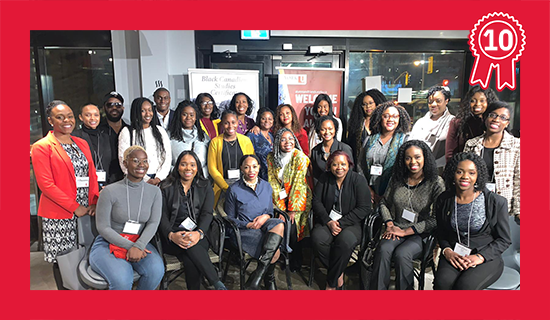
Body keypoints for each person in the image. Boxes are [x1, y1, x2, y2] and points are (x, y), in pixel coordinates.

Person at [31, 100, 99, 290]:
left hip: (87, 211)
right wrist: (74, 207)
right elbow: (46, 185)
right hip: (60, 215)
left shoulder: (82, 143)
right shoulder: (42, 147)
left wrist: (94, 202)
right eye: (59, 117)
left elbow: (91, 175)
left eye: (69, 116)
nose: (66, 121)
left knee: (87, 255)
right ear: (50, 120)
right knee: (63, 262)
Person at [370, 140, 445, 290]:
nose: (413, 162)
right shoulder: (397, 179)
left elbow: (437, 219)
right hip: (395, 228)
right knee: (383, 249)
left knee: (402, 254)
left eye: (417, 157)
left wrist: (406, 232)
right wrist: (390, 224)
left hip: (420, 233)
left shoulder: (435, 182)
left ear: (425, 158)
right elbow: (384, 203)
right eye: (408, 158)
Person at [90, 146, 164, 290]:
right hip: (108, 243)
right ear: (125, 163)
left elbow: (154, 222)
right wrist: (132, 247)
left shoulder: (155, 192)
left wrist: (139, 245)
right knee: (122, 279)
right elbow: (103, 227)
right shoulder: (109, 191)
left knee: (156, 270)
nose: (141, 165)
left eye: (145, 161)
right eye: (136, 161)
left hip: (139, 242)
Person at [434, 152, 511, 290]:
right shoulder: (443, 199)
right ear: (453, 174)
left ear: (478, 176)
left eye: (471, 173)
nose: (465, 177)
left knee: (464, 287)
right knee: (442, 284)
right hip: (454, 252)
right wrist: (447, 251)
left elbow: (504, 240)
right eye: (459, 172)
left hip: (486, 256)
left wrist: (480, 257)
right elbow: (441, 231)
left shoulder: (496, 202)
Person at [159, 151, 227, 290]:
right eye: (183, 164)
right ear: (177, 166)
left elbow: (207, 213)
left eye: (192, 165)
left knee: (191, 255)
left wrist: (199, 233)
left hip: (198, 234)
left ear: (198, 168)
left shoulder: (205, 185)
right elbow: (161, 216)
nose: (188, 168)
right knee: (192, 252)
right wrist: (171, 235)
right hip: (172, 236)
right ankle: (216, 283)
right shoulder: (166, 186)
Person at [311, 151, 371, 289]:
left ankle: (332, 282)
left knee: (345, 241)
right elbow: (316, 201)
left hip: (351, 223)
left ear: (349, 165)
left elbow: (364, 207)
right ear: (330, 166)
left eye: (343, 164)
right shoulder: (324, 178)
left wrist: (341, 223)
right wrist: (328, 221)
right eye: (335, 164)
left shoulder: (358, 180)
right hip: (328, 221)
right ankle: (339, 271)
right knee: (317, 238)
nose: (339, 168)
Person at [225, 155, 285, 290]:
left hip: (265, 224)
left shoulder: (266, 186)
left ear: (259, 167)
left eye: (254, 166)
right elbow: (229, 219)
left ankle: (257, 276)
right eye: (246, 167)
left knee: (279, 224)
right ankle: (269, 280)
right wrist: (247, 225)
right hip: (245, 230)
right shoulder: (234, 189)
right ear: (241, 169)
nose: (251, 170)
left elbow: (270, 211)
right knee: (274, 250)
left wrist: (265, 216)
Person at [463, 101, 520, 218]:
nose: (496, 119)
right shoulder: (471, 144)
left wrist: (519, 210)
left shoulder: (517, 145)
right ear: (486, 118)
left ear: (507, 123)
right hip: (475, 203)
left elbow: (519, 179)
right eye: (493, 115)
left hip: (503, 205)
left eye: (503, 117)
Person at [267, 128, 311, 271]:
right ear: (278, 142)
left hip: (298, 199)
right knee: (280, 223)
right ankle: (281, 255)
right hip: (280, 200)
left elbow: (298, 184)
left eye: (291, 139)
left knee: (293, 227)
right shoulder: (271, 158)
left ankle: (295, 260)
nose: (288, 142)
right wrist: (281, 209)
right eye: (283, 139)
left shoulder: (300, 158)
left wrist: (291, 210)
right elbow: (273, 183)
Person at [360, 102, 411, 203]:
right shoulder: (369, 140)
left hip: (394, 195)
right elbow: (360, 166)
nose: (390, 119)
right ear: (380, 118)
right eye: (386, 116)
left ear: (400, 119)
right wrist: (367, 189)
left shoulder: (405, 141)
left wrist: (388, 194)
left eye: (395, 116)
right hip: (370, 194)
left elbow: (407, 172)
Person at [118, 97, 172, 186]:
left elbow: (167, 157)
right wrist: (146, 179)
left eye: (150, 110)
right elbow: (123, 159)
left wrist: (158, 178)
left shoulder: (160, 130)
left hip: (160, 181)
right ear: (136, 112)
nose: (148, 114)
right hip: (136, 180)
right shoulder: (127, 132)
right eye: (143, 111)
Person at [207, 110, 255, 205]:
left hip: (244, 186)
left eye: (233, 122)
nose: (230, 126)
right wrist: (226, 188)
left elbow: (252, 164)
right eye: (226, 123)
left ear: (237, 123)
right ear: (222, 124)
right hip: (222, 187)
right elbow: (212, 168)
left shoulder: (246, 140)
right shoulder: (215, 142)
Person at [445, 86, 498, 163]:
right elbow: (450, 154)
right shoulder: (457, 122)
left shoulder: (495, 123)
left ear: (489, 102)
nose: (477, 104)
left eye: (482, 101)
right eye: (473, 101)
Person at [409, 85, 455, 169]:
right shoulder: (420, 122)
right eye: (430, 101)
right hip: (417, 167)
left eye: (438, 101)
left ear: (446, 101)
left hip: (440, 168)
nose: (433, 104)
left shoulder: (452, 122)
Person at [72, 103, 114, 189]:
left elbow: (114, 163)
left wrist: (110, 185)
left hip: (107, 187)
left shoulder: (107, 136)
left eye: (96, 115)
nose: (93, 118)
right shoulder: (75, 137)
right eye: (88, 115)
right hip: (84, 187)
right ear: (81, 117)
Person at [168, 100, 210, 178]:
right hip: (176, 180)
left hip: (201, 181)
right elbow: (165, 163)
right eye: (184, 114)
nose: (188, 118)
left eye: (191, 115)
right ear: (179, 115)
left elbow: (210, 162)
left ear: (196, 117)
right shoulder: (169, 136)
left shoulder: (203, 136)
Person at [346, 89, 387, 165]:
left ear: (377, 103)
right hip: (360, 163)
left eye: (371, 103)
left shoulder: (384, 122)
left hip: (379, 163)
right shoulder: (357, 124)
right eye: (364, 104)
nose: (368, 106)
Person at [310, 115, 353, 181]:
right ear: (319, 131)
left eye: (330, 129)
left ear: (335, 130)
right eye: (323, 129)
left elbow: (350, 172)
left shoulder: (344, 148)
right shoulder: (315, 151)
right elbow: (315, 176)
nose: (327, 132)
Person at [98, 91, 128, 183]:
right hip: (105, 181)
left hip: (126, 178)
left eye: (118, 105)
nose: (114, 108)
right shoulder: (98, 131)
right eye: (110, 105)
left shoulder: (130, 130)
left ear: (123, 108)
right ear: (104, 108)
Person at [246, 108, 274, 181]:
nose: (267, 121)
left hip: (273, 177)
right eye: (263, 119)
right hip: (258, 176)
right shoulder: (252, 135)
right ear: (259, 120)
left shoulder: (272, 136)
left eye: (270, 119)